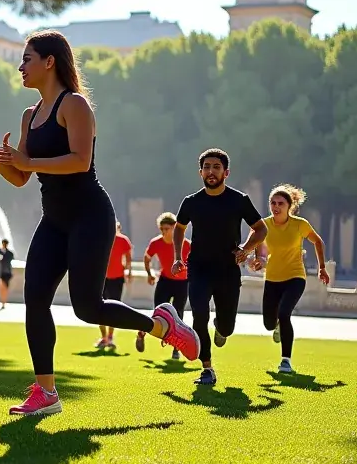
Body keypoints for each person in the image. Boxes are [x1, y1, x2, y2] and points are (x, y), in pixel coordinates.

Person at [0, 31, 199, 417]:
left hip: (90, 216)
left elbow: (78, 160)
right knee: (35, 297)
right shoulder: (30, 115)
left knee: (87, 308)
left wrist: (25, 163)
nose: (21, 66)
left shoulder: (74, 105)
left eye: (27, 59)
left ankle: (162, 326)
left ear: (50, 61)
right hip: (54, 220)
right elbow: (21, 177)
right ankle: (47, 392)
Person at [171, 148, 268, 386]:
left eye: (216, 167)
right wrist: (177, 256)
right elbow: (179, 228)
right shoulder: (191, 202)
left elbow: (261, 228)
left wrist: (245, 249)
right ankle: (207, 369)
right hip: (199, 268)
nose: (211, 171)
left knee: (227, 326)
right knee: (199, 315)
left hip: (227, 269)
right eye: (206, 167)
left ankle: (221, 328)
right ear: (200, 172)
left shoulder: (239, 200)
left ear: (226, 172)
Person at [249, 185, 329, 373]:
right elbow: (259, 250)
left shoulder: (300, 224)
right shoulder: (264, 225)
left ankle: (286, 361)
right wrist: (258, 261)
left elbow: (318, 241)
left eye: (280, 203)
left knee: (284, 313)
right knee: (269, 324)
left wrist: (322, 268)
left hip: (295, 277)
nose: (276, 207)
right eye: (273, 203)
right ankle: (277, 326)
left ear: (289, 206)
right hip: (272, 279)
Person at [135, 212, 191, 359]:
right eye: (162, 229)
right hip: (165, 281)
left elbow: (196, 262)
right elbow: (147, 258)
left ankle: (176, 348)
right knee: (158, 314)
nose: (164, 232)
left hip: (182, 284)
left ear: (174, 228)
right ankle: (142, 333)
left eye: (167, 228)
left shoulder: (186, 244)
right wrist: (149, 273)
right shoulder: (156, 242)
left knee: (178, 316)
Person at [97, 220, 133, 349]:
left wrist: (128, 270)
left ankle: (110, 337)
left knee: (114, 307)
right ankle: (104, 337)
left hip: (117, 277)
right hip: (101, 277)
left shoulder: (123, 240)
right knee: (98, 307)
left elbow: (128, 257)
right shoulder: (101, 239)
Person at [0, 239, 16, 308]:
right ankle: (3, 301)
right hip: (6, 272)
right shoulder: (9, 253)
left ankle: (3, 301)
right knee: (4, 288)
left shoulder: (1, 252)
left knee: (4, 288)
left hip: (4, 272)